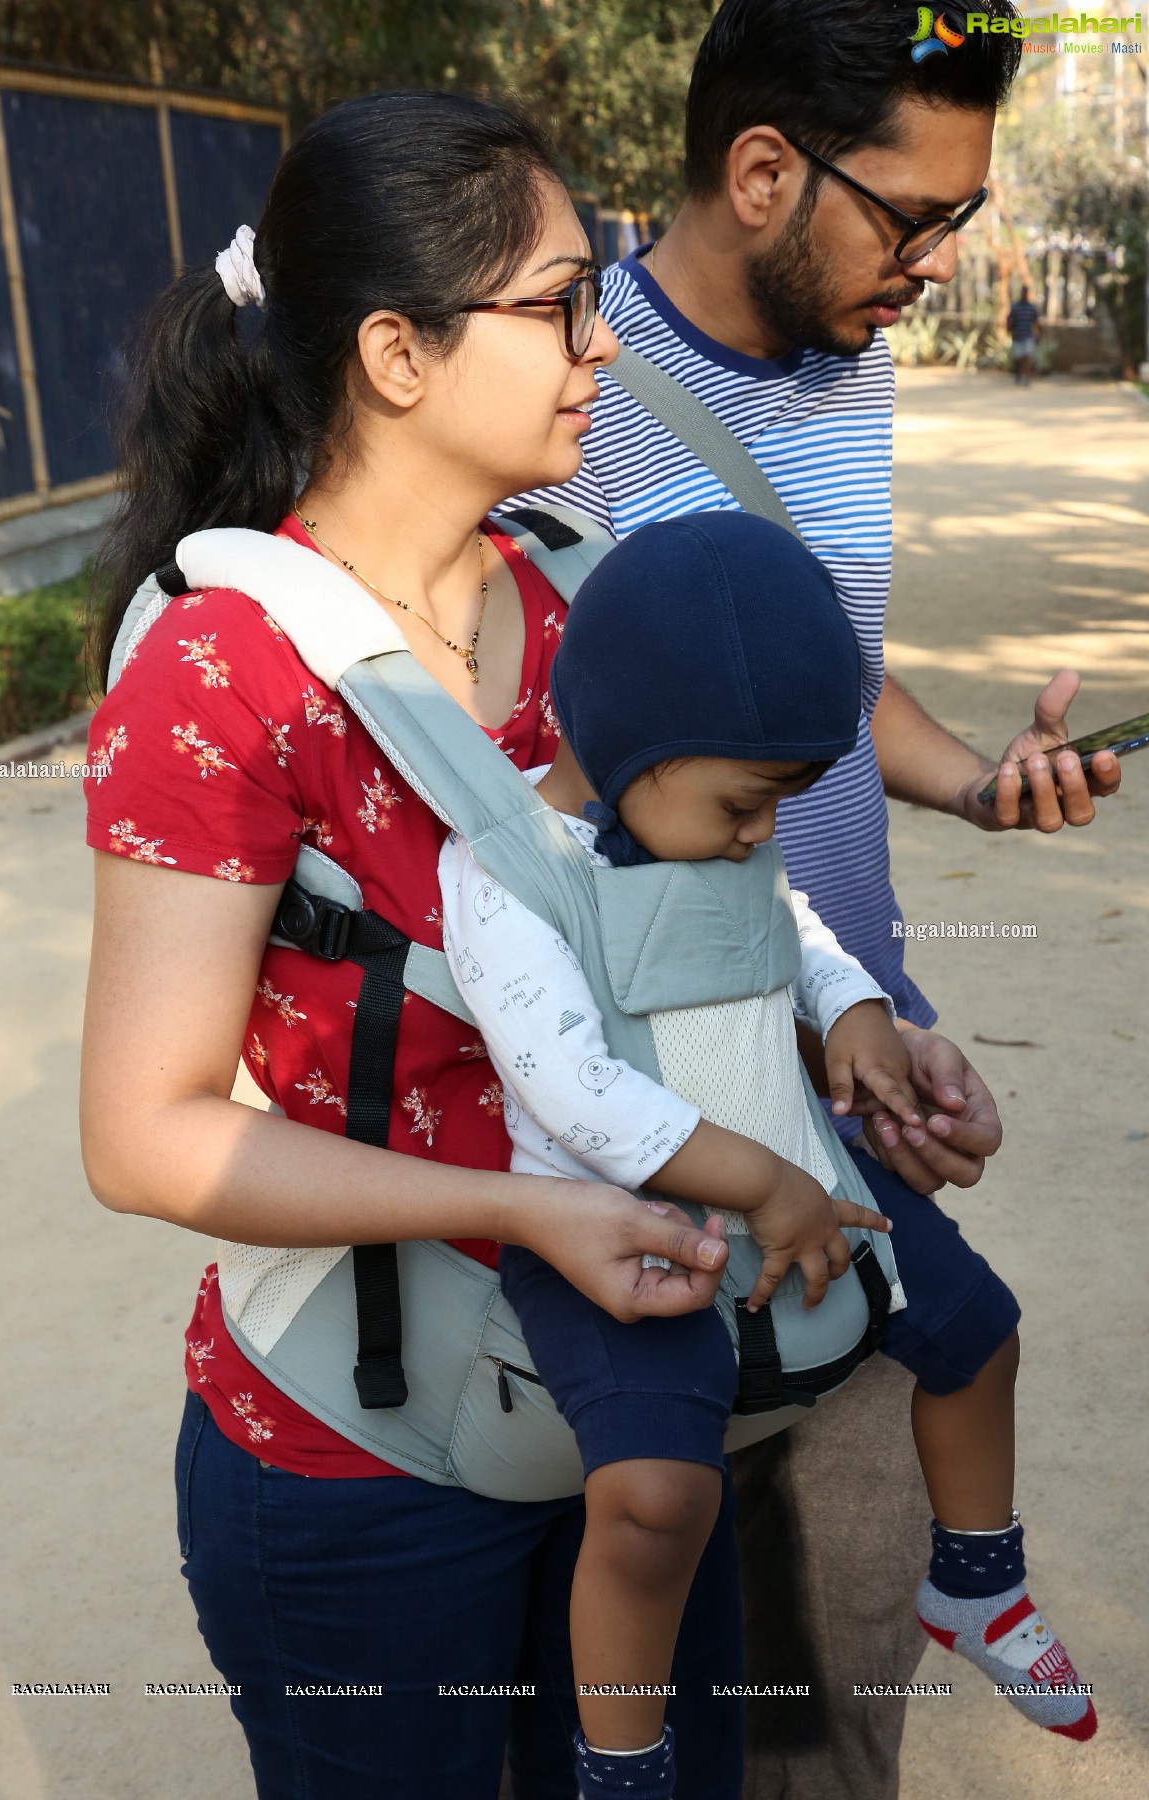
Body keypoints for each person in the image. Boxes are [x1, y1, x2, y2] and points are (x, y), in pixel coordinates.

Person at [79, 92, 762, 1800]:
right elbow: (144, 1131)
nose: (603, 348)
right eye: (561, 304)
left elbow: (699, 921)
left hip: (640, 1431)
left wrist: (851, 1048)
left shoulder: (595, 599)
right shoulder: (225, 676)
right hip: (358, 1471)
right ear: (398, 350)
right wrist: (526, 1208)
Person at [516, 2, 1120, 1791]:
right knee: (647, 1636)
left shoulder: (847, 361)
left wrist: (974, 784)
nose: (940, 265)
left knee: (836, 1710)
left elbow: (828, 680)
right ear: (767, 171)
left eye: (963, 219)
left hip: (847, 1073)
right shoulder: (566, 393)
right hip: (647, 1137)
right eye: (915, 220)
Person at [439, 512, 1096, 1800]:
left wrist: (855, 1014)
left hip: (807, 1180)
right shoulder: (508, 874)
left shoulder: (722, 828)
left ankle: (978, 1576)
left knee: (980, 1332)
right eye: (744, 804)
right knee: (651, 1498)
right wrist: (758, 1185)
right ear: (630, 747)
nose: (758, 836)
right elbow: (569, 1090)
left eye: (775, 808)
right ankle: (621, 1757)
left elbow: (795, 928)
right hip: (627, 1233)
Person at [1007, 284, 1042, 385]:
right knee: (1017, 358)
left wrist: (1038, 334)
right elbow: (1010, 320)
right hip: (1018, 336)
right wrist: (1009, 330)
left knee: (1028, 356)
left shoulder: (1032, 307)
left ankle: (1027, 377)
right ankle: (1018, 374)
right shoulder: (1015, 307)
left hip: (1028, 336)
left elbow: (1036, 322)